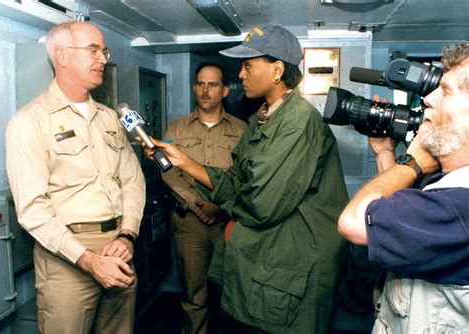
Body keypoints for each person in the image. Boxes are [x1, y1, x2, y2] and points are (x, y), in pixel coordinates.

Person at [146, 24, 349, 333]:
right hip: (270, 257)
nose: (240, 74)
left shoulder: (298, 121)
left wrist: (220, 210)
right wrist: (184, 160)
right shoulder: (261, 119)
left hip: (296, 258)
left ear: (277, 70)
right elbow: (236, 180)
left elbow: (260, 202)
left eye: (247, 65)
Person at [5, 21, 146, 334]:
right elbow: (32, 211)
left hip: (118, 249)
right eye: (93, 50)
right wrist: (90, 261)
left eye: (104, 50)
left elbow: (133, 180)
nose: (104, 59)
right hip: (66, 256)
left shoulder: (109, 118)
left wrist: (127, 234)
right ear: (62, 56)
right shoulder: (29, 122)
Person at [338, 42, 469, 332]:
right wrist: (386, 154)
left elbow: (355, 222)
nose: (429, 100)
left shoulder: (460, 206)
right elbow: (401, 215)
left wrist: (413, 162)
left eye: (445, 91)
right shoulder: (448, 185)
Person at [161, 62, 246, 334]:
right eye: (200, 84)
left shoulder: (243, 131)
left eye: (212, 84)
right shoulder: (177, 128)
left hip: (228, 224)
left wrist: (221, 207)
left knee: (230, 293)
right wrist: (196, 203)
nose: (205, 90)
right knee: (193, 295)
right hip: (190, 225)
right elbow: (168, 172)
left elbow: (246, 177)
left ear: (224, 90)